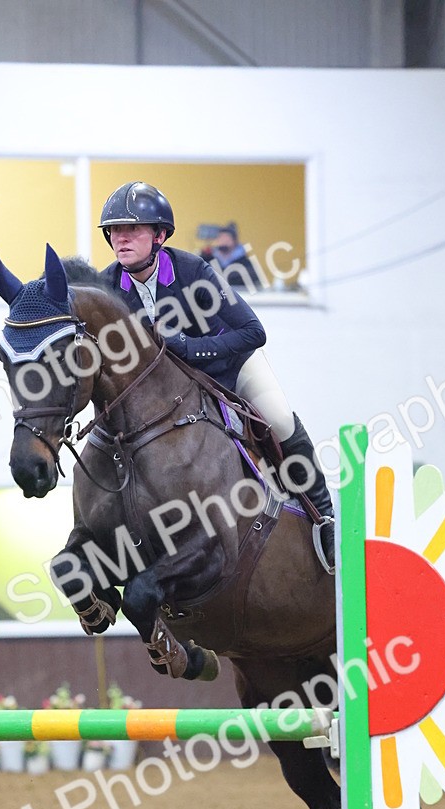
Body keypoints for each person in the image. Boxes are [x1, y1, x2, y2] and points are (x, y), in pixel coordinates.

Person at [98, 181, 334, 571]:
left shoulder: (194, 271)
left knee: (277, 417)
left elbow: (254, 333)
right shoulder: (108, 287)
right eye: (115, 231)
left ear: (159, 236)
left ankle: (324, 516)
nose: (121, 238)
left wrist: (190, 349)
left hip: (230, 367)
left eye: (132, 229)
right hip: (169, 390)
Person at [201, 222, 264, 291]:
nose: (223, 241)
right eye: (220, 238)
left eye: (226, 238)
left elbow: (254, 281)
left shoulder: (245, 263)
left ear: (234, 241)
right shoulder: (207, 259)